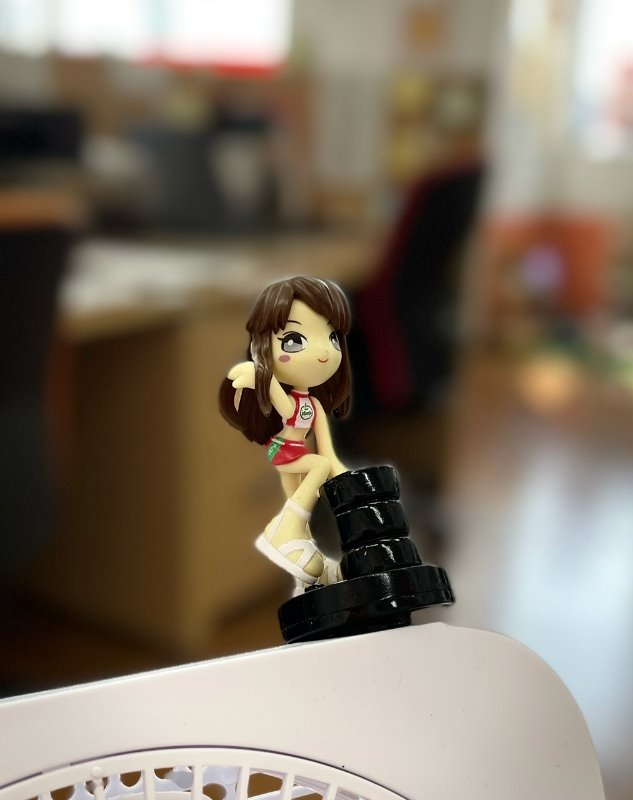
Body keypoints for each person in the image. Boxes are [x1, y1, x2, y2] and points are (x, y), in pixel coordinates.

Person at [219, 276, 352, 585]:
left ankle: (303, 550)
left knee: (303, 498)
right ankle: (282, 533)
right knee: (317, 468)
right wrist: (259, 375)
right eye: (294, 340)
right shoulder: (291, 403)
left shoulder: (313, 405)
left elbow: (327, 449)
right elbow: (282, 405)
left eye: (332, 337)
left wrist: (342, 472)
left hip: (296, 453)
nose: (324, 352)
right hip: (283, 451)